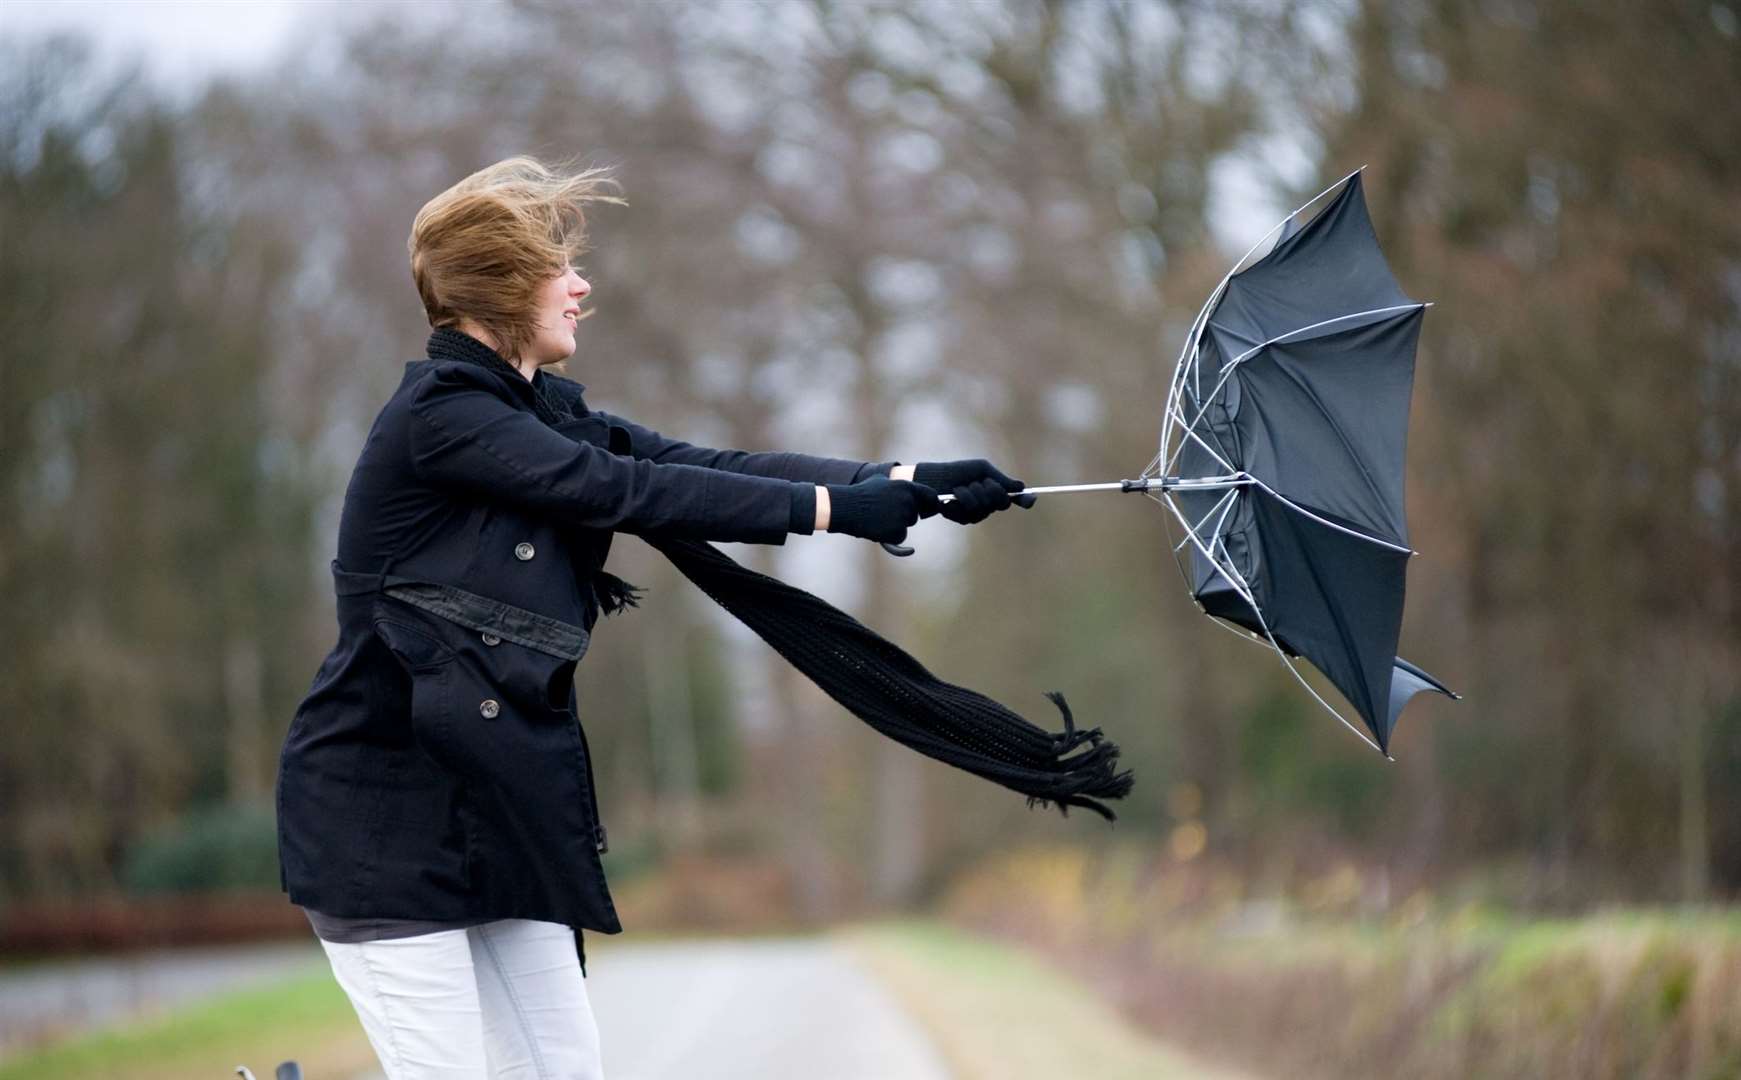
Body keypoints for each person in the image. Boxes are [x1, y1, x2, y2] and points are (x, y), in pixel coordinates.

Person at [273, 155, 1032, 1079]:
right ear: (504, 288)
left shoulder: (537, 409)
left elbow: (699, 462)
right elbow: (625, 489)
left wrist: (899, 482)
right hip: (381, 823)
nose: (581, 285)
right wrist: (838, 516)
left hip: (496, 809)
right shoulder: (442, 418)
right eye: (560, 267)